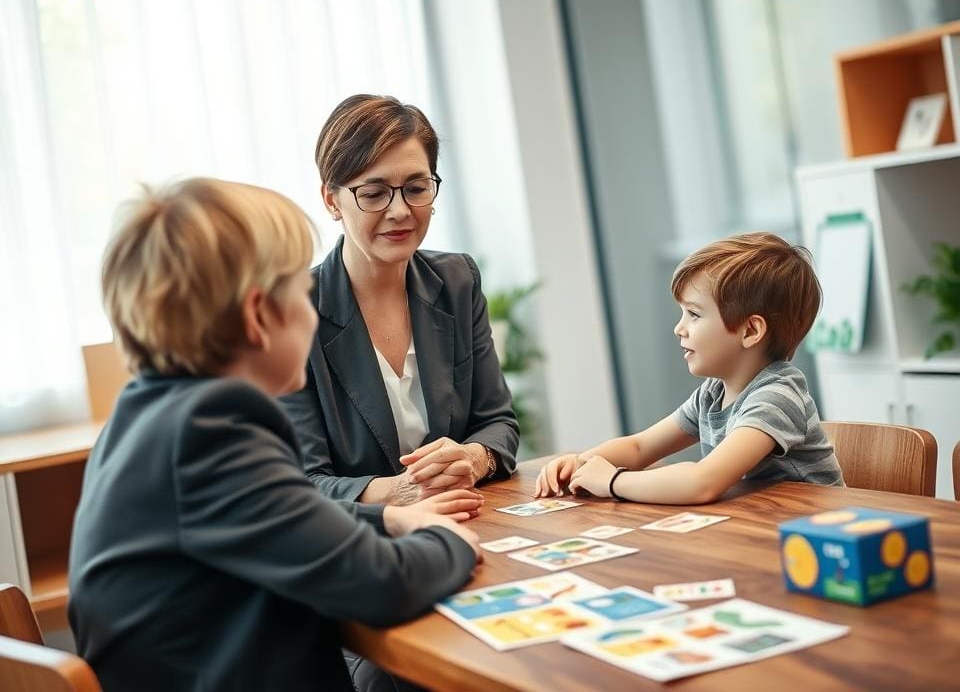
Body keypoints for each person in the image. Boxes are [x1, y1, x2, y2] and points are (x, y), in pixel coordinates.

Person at [68, 177, 481, 692]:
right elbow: (381, 585)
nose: (314, 314)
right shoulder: (211, 430)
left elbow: (280, 517)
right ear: (258, 316)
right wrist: (451, 541)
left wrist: (388, 518)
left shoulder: (148, 412)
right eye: (300, 295)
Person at [282, 94, 519, 507]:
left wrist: (471, 458)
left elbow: (497, 422)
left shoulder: (457, 280)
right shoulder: (290, 311)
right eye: (373, 193)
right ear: (331, 200)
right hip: (360, 545)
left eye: (415, 188)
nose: (400, 211)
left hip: (464, 520)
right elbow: (301, 482)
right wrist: (397, 492)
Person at [534, 232, 843, 504]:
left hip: (819, 544)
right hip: (760, 531)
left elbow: (702, 483)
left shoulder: (777, 397)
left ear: (750, 331)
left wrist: (612, 481)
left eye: (694, 315)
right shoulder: (712, 393)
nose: (679, 329)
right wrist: (582, 463)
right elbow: (640, 447)